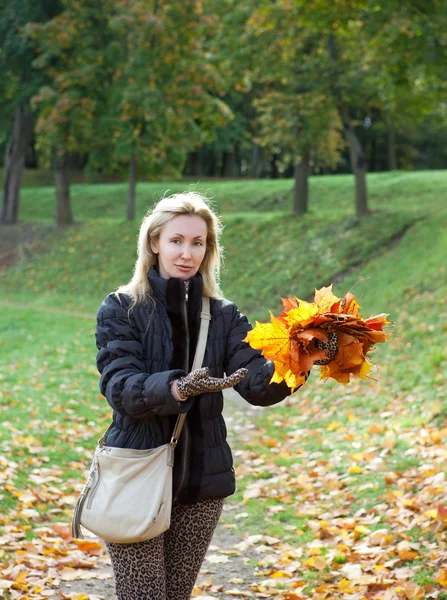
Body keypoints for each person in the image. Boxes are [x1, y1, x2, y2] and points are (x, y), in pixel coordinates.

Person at [95, 191, 298, 600]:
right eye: (176, 241)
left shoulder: (224, 315)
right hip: (137, 470)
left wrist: (302, 357)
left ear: (208, 250)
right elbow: (119, 384)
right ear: (154, 243)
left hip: (201, 481)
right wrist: (175, 388)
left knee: (175, 596)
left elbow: (256, 384)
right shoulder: (122, 307)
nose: (186, 253)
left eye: (197, 242)